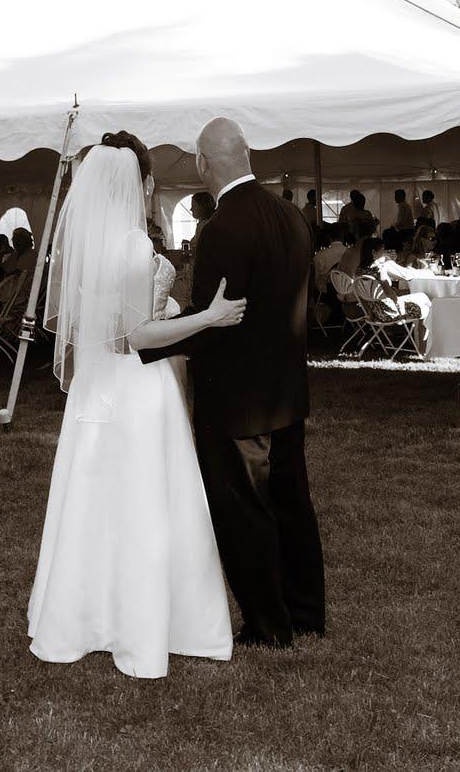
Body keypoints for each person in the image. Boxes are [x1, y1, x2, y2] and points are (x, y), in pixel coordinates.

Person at [28, 131, 245, 679]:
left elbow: (105, 325)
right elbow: (137, 336)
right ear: (143, 184)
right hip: (138, 387)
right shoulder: (131, 245)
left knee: (94, 500)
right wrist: (207, 317)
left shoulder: (89, 245)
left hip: (95, 388)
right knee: (147, 503)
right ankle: (149, 623)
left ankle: (85, 615)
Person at [137, 117, 324, 649]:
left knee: (245, 513)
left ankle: (268, 626)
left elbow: (215, 319)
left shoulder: (221, 228)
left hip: (236, 398)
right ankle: (307, 612)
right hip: (287, 390)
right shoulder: (292, 216)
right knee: (292, 502)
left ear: (202, 164)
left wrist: (151, 342)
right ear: (247, 156)